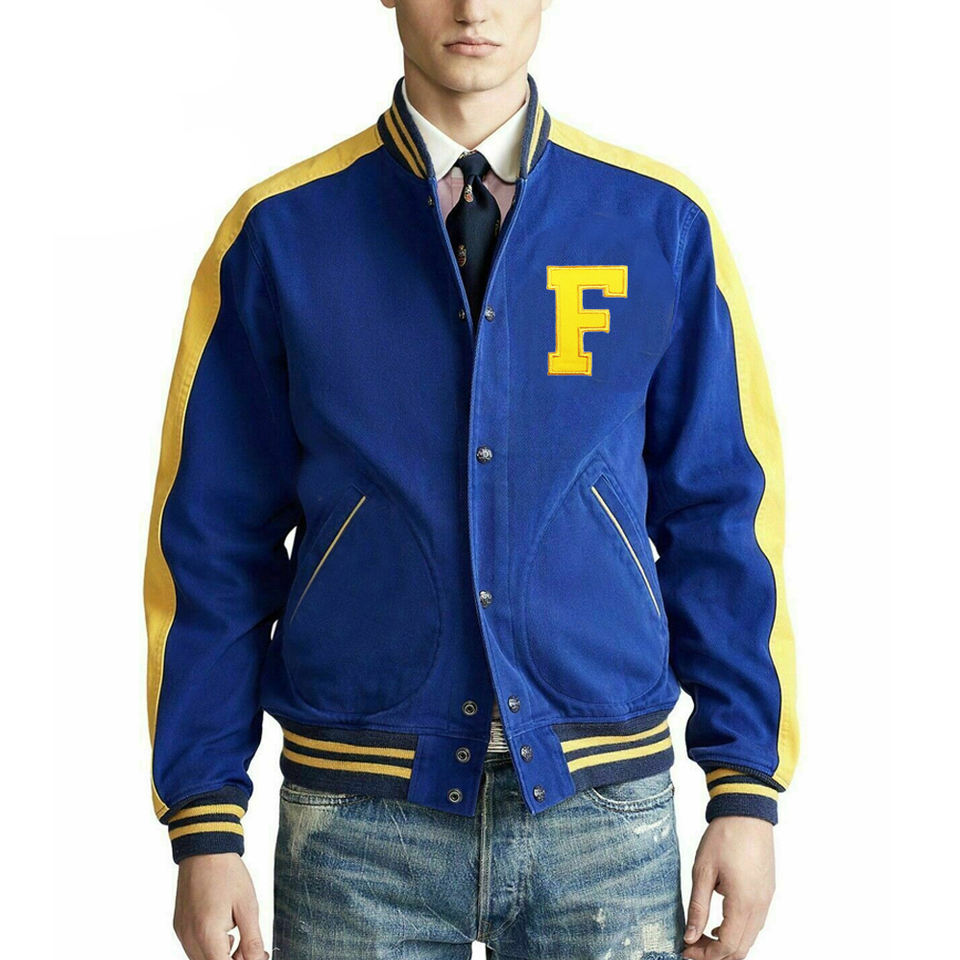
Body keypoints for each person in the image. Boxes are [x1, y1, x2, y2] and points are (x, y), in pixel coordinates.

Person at [143, 2, 799, 958]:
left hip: (605, 818)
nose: (473, 7)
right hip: (357, 827)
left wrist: (744, 786)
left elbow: (722, 515)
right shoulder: (280, 233)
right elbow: (211, 539)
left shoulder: (657, 223)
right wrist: (204, 816)